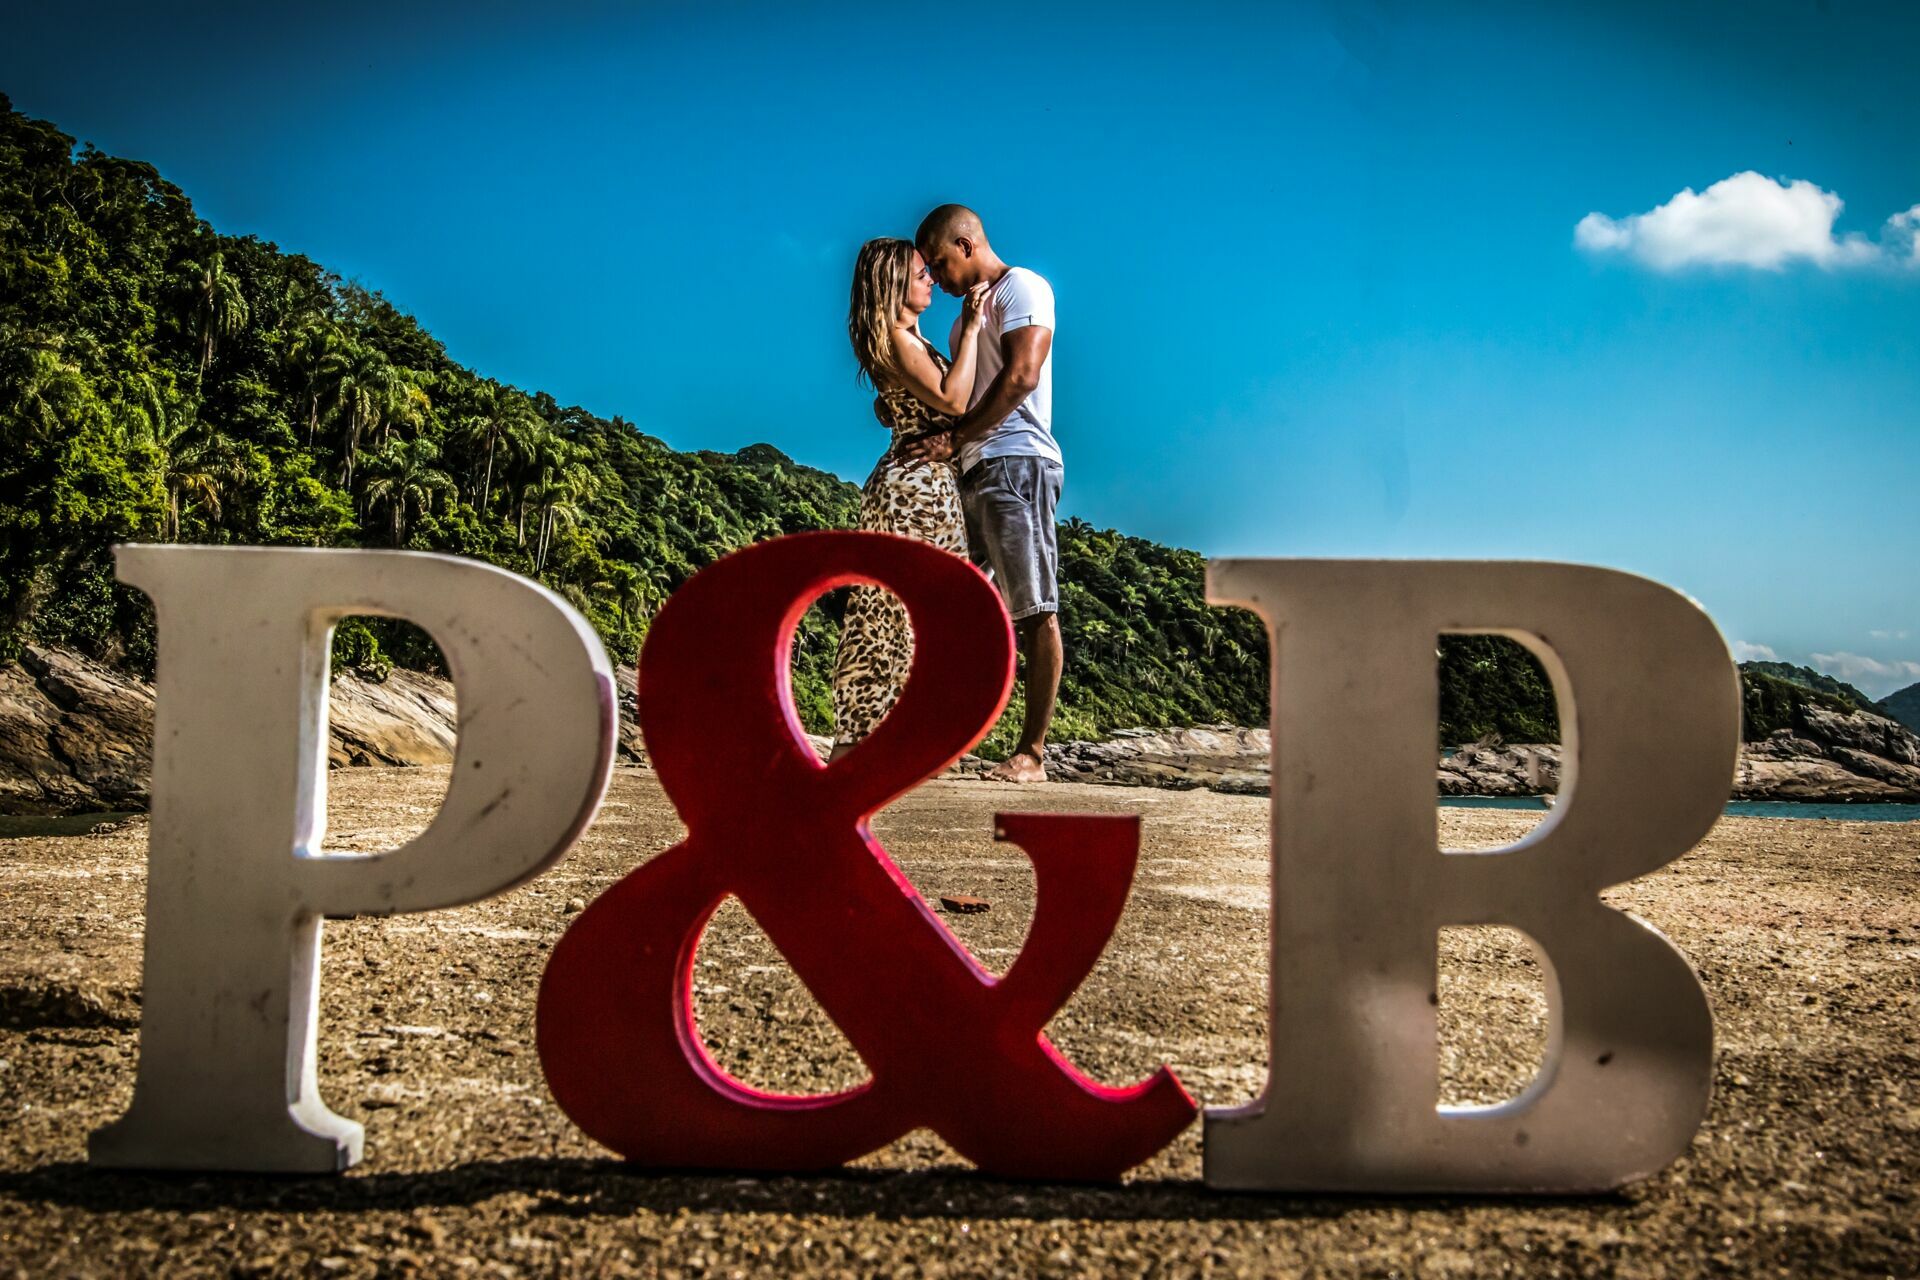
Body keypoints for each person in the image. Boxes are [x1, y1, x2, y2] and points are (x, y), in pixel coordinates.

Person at [898, 205, 1061, 784]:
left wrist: (955, 438)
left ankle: (1032, 755)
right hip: (970, 468)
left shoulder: (1023, 287)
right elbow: (956, 394)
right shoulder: (963, 317)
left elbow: (1022, 376)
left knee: (1034, 608)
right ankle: (951, 741)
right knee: (958, 613)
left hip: (1018, 464)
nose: (935, 280)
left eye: (939, 265)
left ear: (966, 245)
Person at [828, 238, 990, 760]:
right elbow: (953, 399)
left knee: (903, 612)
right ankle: (868, 739)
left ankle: (879, 737)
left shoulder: (904, 341)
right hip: (913, 492)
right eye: (921, 273)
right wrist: (970, 331)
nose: (931, 281)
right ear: (893, 283)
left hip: (920, 486)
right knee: (897, 613)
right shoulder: (897, 339)